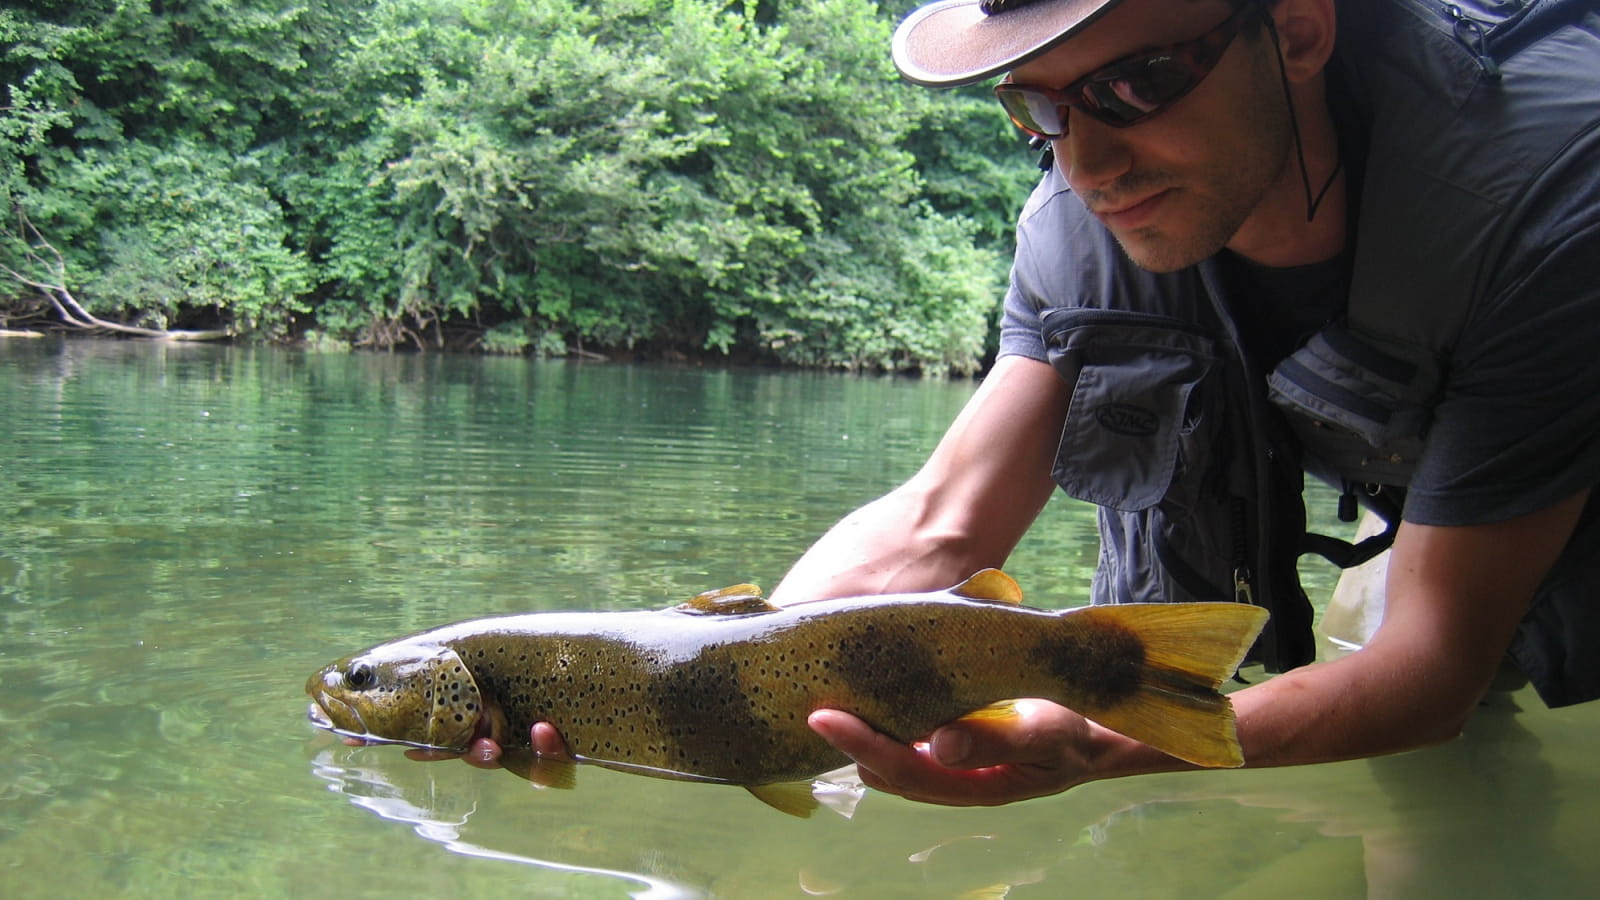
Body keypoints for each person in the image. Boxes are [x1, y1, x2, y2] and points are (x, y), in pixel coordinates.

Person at [469, 0, 1600, 806]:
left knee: (1429, 704)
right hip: (1415, 438)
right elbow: (943, 524)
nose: (1089, 160)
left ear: (1298, 26)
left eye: (1134, 83)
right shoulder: (1079, 220)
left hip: (1565, 374)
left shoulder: (1554, 197)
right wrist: (733, 688)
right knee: (1395, 682)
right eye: (1035, 108)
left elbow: (1434, 665)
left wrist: (1106, 752)